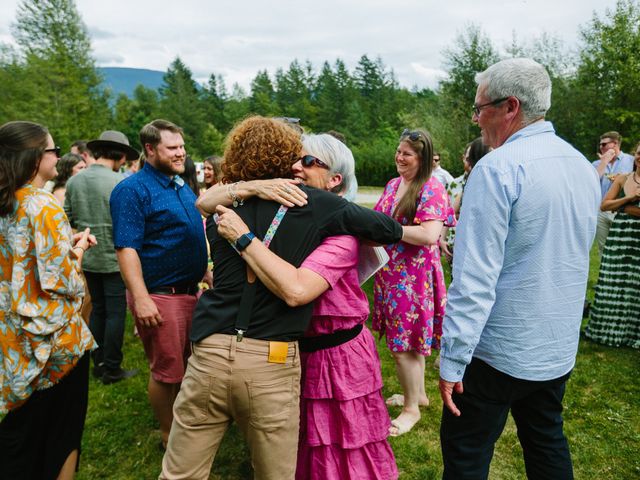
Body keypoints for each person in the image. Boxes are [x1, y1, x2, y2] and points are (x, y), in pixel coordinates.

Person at [160, 116, 404, 480]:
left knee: (179, 474)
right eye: (298, 158)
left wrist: (247, 192)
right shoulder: (317, 205)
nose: (299, 166)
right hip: (270, 355)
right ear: (285, 157)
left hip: (209, 348)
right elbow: (388, 229)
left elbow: (203, 202)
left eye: (307, 161)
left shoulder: (223, 207)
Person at [439, 58, 600, 479]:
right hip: (555, 347)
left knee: (466, 455)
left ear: (510, 107)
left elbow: (473, 281)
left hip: (496, 351)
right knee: (547, 443)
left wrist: (452, 361)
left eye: (480, 109)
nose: (477, 120)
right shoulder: (582, 165)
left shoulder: (497, 169)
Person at [0, 121, 97, 479]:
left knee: (21, 432)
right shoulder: (44, 205)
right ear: (34, 156)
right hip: (55, 342)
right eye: (53, 150)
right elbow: (65, 282)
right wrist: (79, 251)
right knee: (63, 431)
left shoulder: (6, 202)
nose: (59, 156)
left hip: (12, 340)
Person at [110, 119, 208, 449]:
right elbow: (126, 247)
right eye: (172, 148)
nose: (181, 153)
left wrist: (203, 270)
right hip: (160, 295)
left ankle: (184, 424)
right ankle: (169, 436)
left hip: (190, 291)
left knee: (187, 367)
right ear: (151, 149)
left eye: (182, 146)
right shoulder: (132, 190)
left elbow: (187, 234)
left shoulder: (179, 184)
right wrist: (141, 298)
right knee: (167, 373)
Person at [372, 128, 456, 437]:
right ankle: (417, 394)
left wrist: (390, 231)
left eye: (406, 153)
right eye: (398, 151)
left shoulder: (430, 187)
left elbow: (429, 235)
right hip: (391, 273)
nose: (399, 156)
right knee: (410, 343)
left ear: (422, 159)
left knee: (403, 346)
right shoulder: (395, 184)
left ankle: (411, 410)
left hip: (413, 277)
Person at [65, 130, 140, 385]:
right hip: (114, 257)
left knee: (97, 309)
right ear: (119, 155)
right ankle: (112, 368)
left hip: (88, 256)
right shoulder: (121, 181)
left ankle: (96, 362)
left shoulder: (75, 181)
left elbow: (68, 217)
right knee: (115, 313)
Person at [585, 141, 640, 348]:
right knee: (613, 282)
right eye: (638, 153)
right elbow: (605, 204)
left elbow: (617, 207)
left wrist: (624, 208)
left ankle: (631, 333)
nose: (639, 157)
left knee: (635, 287)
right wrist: (631, 198)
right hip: (619, 237)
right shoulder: (624, 178)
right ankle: (609, 331)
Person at [592, 131, 635, 255]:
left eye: (604, 144)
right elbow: (590, 183)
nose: (601, 147)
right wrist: (603, 162)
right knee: (603, 248)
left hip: (622, 209)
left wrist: (622, 179)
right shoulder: (596, 164)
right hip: (601, 210)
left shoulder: (631, 161)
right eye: (600, 145)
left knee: (624, 246)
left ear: (615, 144)